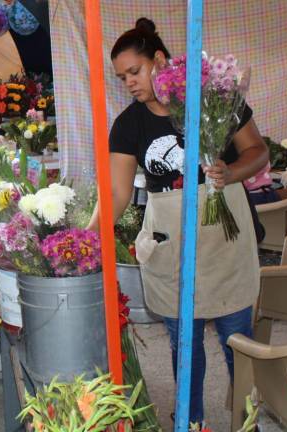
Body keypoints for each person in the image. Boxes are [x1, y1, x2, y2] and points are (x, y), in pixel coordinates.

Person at [88, 18, 268, 425]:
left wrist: (231, 172)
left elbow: (258, 151)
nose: (129, 83)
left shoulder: (213, 100)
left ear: (160, 60)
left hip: (226, 240)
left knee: (236, 339)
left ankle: (248, 419)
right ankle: (191, 420)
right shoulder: (129, 124)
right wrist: (88, 239)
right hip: (171, 246)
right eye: (122, 77)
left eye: (134, 71)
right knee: (184, 343)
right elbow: (116, 194)